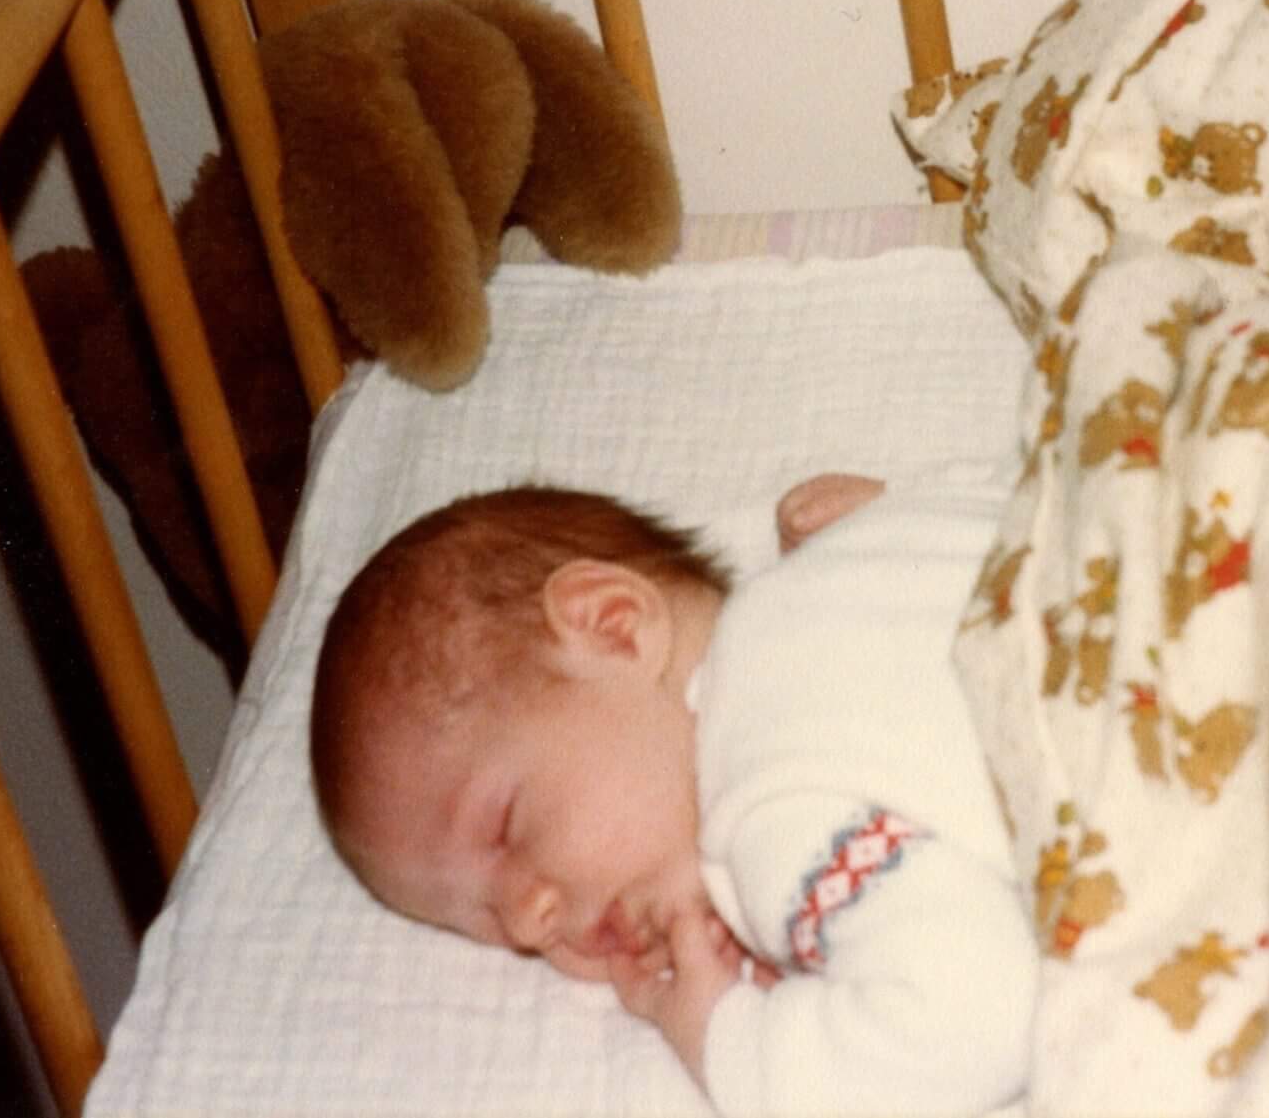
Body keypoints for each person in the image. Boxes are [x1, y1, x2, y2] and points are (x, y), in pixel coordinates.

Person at [309, 465, 1036, 1117]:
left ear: (615, 627)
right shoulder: (846, 572)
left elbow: (974, 1016)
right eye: (487, 921)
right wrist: (878, 526)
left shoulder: (768, 814)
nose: (532, 922)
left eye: (506, 826)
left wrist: (724, 1033)